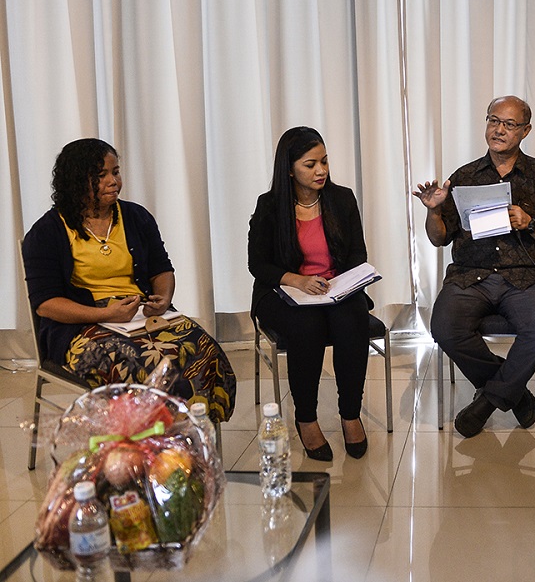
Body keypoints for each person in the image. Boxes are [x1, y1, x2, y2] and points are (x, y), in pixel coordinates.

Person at [22, 138, 236, 422]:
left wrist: (163, 299)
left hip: (137, 314)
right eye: (101, 176)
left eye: (116, 172)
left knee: (204, 349)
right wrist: (105, 313)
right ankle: (150, 447)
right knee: (138, 365)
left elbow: (161, 269)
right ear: (75, 181)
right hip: (81, 325)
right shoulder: (47, 231)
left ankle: (194, 438)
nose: (114, 181)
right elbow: (46, 304)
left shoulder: (135, 217)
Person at [413, 95, 535, 438]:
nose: (499, 129)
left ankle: (487, 402)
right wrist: (433, 210)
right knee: (444, 326)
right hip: (470, 276)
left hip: (524, 278)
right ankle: (516, 393)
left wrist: (529, 223)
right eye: (493, 120)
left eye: (509, 124)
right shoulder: (464, 176)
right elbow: (439, 238)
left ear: (525, 131)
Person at [249, 126, 373, 461]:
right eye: (310, 164)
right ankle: (306, 418)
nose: (321, 170)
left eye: (324, 162)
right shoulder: (271, 205)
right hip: (283, 292)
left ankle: (350, 413)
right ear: (289, 168)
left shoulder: (341, 198)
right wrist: (296, 280)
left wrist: (342, 283)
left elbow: (357, 255)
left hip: (335, 288)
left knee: (353, 319)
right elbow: (257, 264)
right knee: (308, 327)